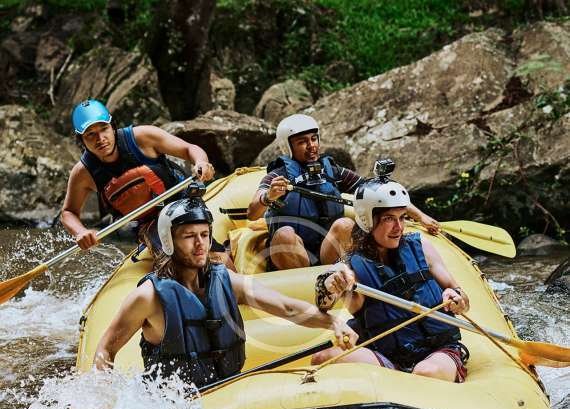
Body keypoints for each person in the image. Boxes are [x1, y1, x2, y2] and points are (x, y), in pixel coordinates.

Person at [94, 198, 358, 388]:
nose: (200, 244)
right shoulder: (148, 297)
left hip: (226, 394)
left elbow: (286, 307)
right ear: (169, 241)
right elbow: (106, 349)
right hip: (173, 407)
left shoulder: (226, 280)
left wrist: (333, 322)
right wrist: (104, 399)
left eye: (204, 235)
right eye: (189, 236)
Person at [311, 175, 470, 383]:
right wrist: (330, 284)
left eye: (402, 218)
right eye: (389, 219)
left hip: (439, 351)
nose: (399, 227)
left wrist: (456, 298)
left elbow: (463, 299)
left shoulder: (421, 247)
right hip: (388, 358)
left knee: (425, 373)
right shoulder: (350, 267)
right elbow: (324, 301)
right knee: (322, 358)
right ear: (368, 220)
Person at [247, 113, 439, 270]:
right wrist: (268, 197)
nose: (312, 146)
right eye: (302, 142)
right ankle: (304, 285)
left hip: (327, 251)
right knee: (285, 234)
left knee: (345, 224)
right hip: (292, 255)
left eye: (314, 139)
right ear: (288, 146)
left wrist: (421, 217)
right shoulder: (277, 176)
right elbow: (252, 213)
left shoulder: (333, 172)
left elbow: (381, 193)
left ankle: (344, 278)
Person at [61, 99, 217, 255]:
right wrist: (80, 232)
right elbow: (68, 212)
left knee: (209, 250)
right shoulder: (83, 173)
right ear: (81, 139)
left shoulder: (143, 137)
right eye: (91, 134)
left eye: (104, 129)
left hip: (183, 200)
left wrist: (201, 162)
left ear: (113, 127)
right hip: (146, 224)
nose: (100, 138)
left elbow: (189, 149)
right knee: (172, 254)